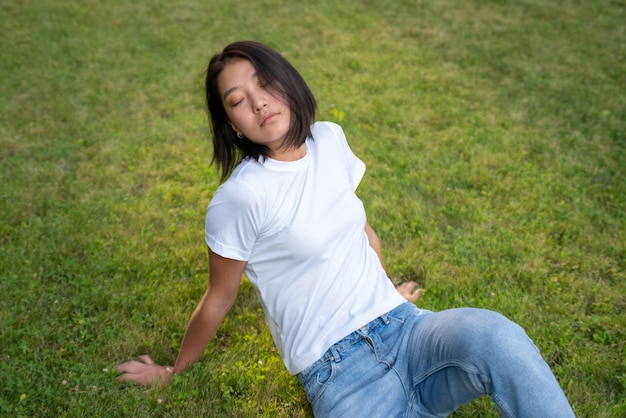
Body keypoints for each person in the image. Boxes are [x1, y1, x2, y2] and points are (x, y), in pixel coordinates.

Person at [115, 40, 575, 417]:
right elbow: (220, 295)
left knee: (497, 337)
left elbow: (359, 227)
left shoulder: (329, 138)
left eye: (264, 83)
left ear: (286, 80)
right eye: (237, 100)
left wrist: (386, 292)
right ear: (232, 124)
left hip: (407, 333)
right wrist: (176, 370)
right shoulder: (241, 198)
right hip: (340, 377)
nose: (258, 102)